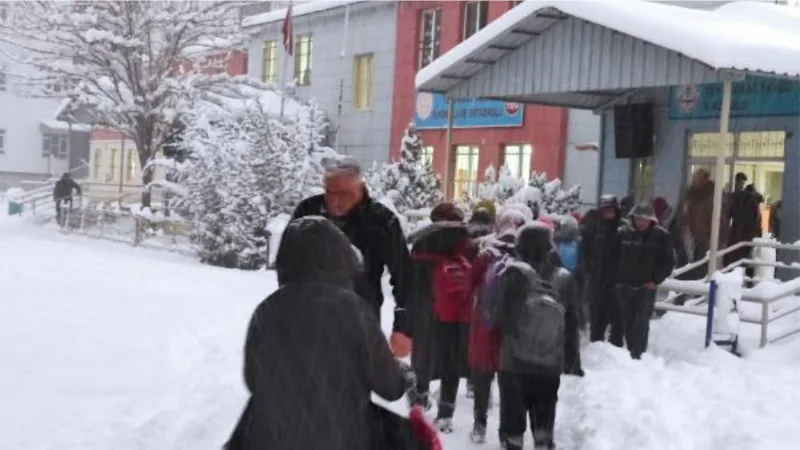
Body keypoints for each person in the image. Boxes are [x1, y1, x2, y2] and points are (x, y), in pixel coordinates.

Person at [226, 216, 414, 450]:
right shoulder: (353, 310)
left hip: (272, 438)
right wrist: (402, 374)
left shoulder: (267, 310)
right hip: (341, 437)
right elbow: (388, 386)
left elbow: (253, 379)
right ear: (339, 258)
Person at [291, 156, 411, 354]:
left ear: (360, 186)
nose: (336, 200)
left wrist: (403, 328)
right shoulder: (307, 212)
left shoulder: (381, 221)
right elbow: (289, 264)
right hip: (312, 322)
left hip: (361, 322)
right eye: (330, 193)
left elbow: (404, 275)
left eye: (344, 193)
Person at [492, 223, 583, 450]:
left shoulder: (512, 274)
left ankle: (513, 443)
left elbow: (497, 316)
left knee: (512, 418)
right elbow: (572, 322)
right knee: (544, 415)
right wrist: (572, 360)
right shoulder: (564, 277)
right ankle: (543, 440)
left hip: (513, 362)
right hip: (549, 362)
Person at [407, 202, 473, 434]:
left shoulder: (422, 242)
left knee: (423, 355)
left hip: (426, 309)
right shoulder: (467, 243)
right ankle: (445, 413)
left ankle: (420, 397)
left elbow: (411, 280)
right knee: (451, 362)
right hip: (457, 313)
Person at [467, 208, 528, 444]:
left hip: (485, 329)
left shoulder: (486, 255)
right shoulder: (525, 257)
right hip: (512, 334)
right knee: (510, 386)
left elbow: (469, 285)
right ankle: (506, 435)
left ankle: (479, 426)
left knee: (482, 381)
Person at [612, 204, 675, 359]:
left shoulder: (661, 237)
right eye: (638, 219)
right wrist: (616, 279)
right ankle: (632, 350)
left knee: (641, 321)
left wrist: (655, 280)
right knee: (628, 320)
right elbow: (611, 257)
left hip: (647, 286)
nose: (641, 222)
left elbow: (668, 262)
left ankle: (638, 354)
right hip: (624, 285)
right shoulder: (621, 234)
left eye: (644, 219)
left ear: (651, 220)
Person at [581, 195, 624, 345]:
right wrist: (587, 269)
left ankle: (616, 348)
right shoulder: (592, 228)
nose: (609, 214)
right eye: (606, 211)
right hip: (596, 278)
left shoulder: (621, 230)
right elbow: (584, 251)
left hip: (617, 280)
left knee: (618, 317)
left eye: (612, 211)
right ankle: (597, 344)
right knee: (597, 316)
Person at [723, 173, 762, 270]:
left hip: (740, 231)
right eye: (740, 181)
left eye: (742, 182)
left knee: (736, 252)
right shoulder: (743, 198)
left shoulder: (737, 197)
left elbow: (730, 214)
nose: (741, 184)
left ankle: (732, 268)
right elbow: (755, 220)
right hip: (744, 232)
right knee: (741, 253)